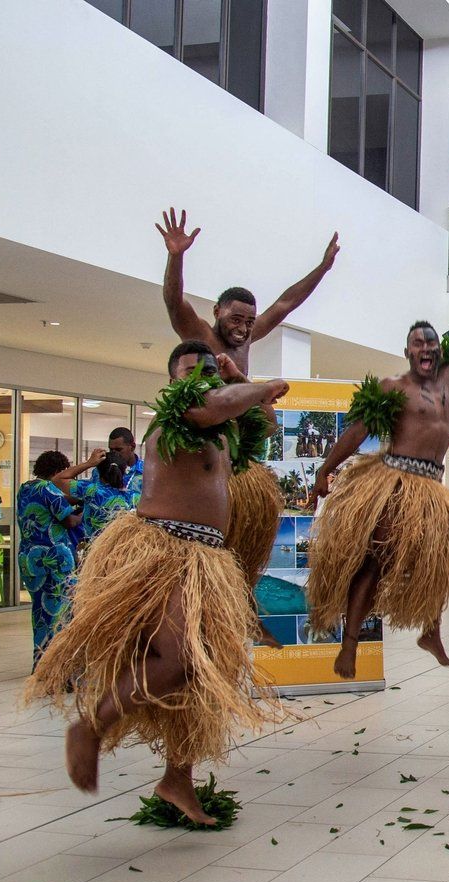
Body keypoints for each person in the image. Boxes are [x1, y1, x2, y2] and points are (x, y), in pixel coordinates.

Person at [28, 341, 286, 824]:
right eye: (191, 370)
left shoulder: (223, 427)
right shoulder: (181, 415)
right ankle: (92, 726)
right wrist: (259, 385)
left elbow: (265, 422)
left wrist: (237, 378)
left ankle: (177, 779)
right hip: (163, 551)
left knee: (197, 675)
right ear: (173, 382)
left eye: (208, 370)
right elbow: (215, 403)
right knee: (179, 657)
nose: (201, 378)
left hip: (205, 559)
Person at [307, 273, 449, 678]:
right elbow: (357, 431)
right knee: (376, 561)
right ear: (407, 351)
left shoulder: (448, 374)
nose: (426, 349)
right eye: (418, 344)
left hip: (433, 486)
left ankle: (430, 631)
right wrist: (326, 469)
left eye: (431, 343)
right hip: (397, 484)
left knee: (441, 558)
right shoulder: (392, 387)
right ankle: (349, 646)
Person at [156, 209, 337, 620]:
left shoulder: (250, 336)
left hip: (235, 445)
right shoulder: (201, 337)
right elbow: (173, 301)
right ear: (217, 311)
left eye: (249, 321)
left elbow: (287, 302)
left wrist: (323, 268)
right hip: (204, 431)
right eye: (235, 318)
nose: (243, 327)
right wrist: (176, 256)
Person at [17, 452, 82, 666]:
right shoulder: (49, 489)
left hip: (30, 559)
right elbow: (70, 521)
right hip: (54, 559)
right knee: (61, 612)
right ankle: (58, 667)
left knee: (40, 610)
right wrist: (86, 511)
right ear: (59, 472)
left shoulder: (25, 488)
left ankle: (41, 662)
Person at [56, 448, 140, 548]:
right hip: (122, 555)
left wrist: (89, 463)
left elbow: (58, 479)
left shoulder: (92, 492)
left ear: (98, 472)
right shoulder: (135, 497)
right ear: (124, 472)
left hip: (95, 553)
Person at [84, 427, 144, 494]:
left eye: (118, 450)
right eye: (111, 450)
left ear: (132, 447)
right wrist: (88, 464)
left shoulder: (146, 472)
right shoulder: (100, 471)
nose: (114, 453)